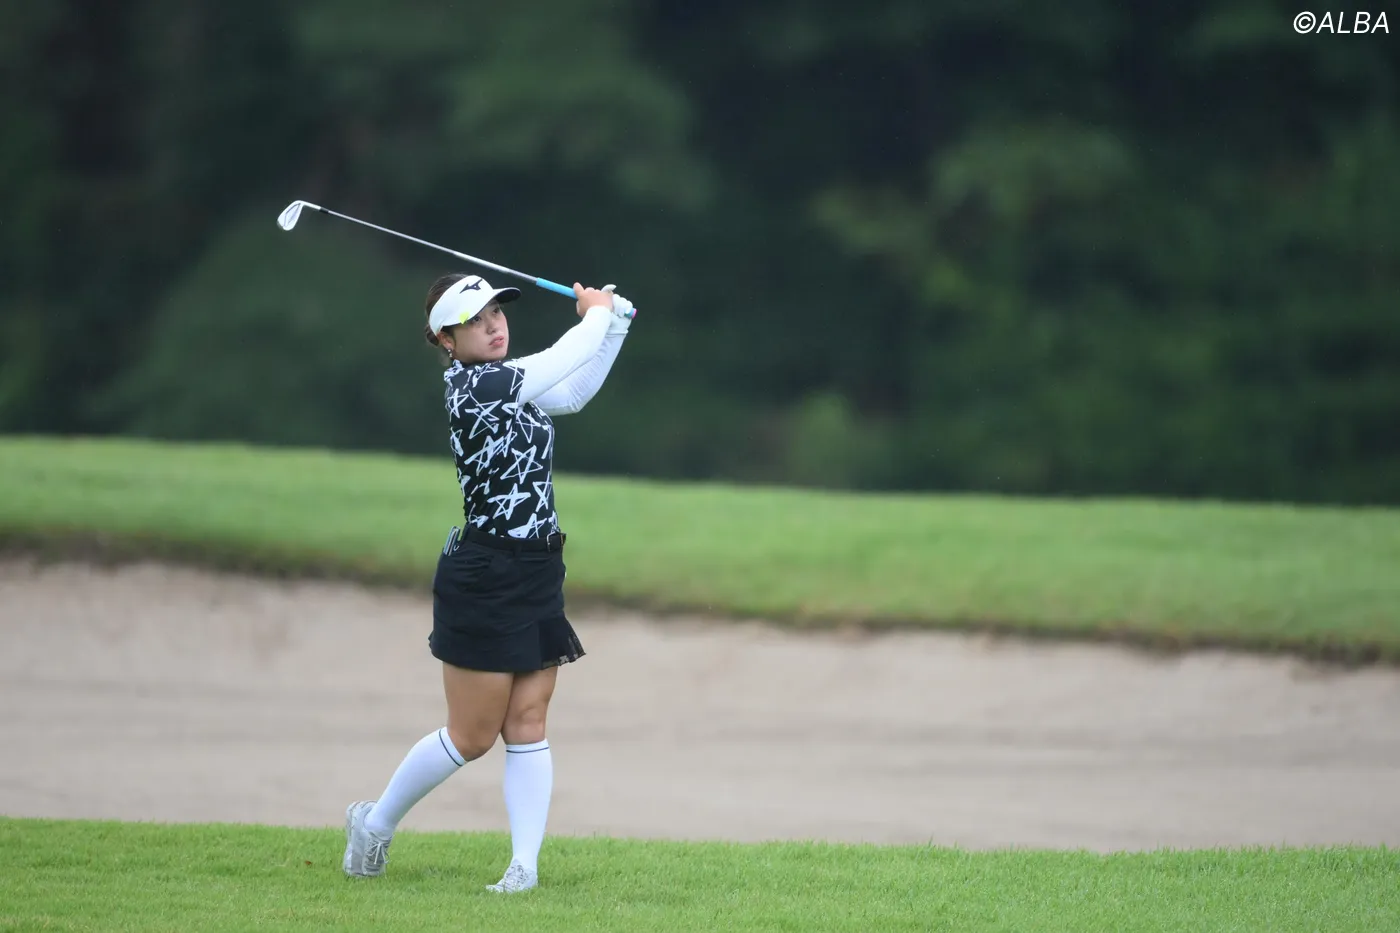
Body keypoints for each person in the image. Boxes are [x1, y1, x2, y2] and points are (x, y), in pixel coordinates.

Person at [342, 271, 635, 893]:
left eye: (496, 313)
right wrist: (597, 314)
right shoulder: (476, 387)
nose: (493, 326)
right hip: (485, 573)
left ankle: (523, 867)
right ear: (446, 340)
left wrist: (614, 327)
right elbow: (561, 358)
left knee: (528, 720)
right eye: (474, 321)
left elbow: (572, 391)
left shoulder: (511, 382)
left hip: (538, 567)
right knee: (472, 735)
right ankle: (375, 823)